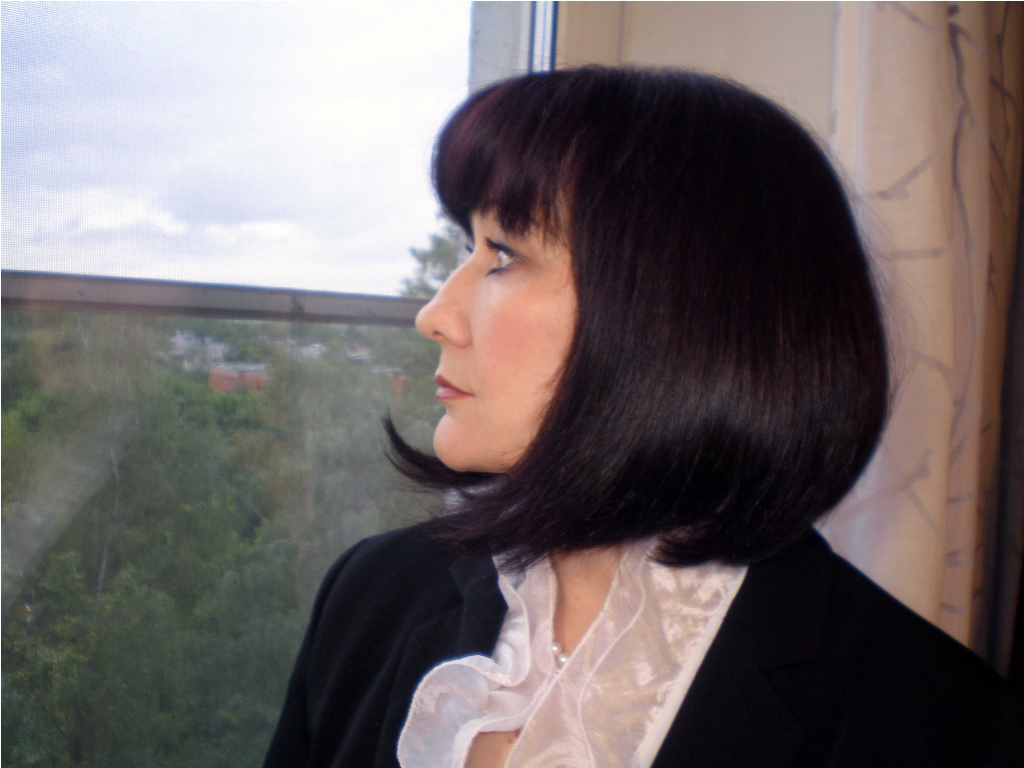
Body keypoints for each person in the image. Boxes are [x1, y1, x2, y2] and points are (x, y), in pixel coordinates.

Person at [263, 68, 1023, 768]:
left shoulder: (940, 728)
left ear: (678, 316)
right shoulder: (373, 596)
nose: (434, 314)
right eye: (469, 245)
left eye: (503, 254)